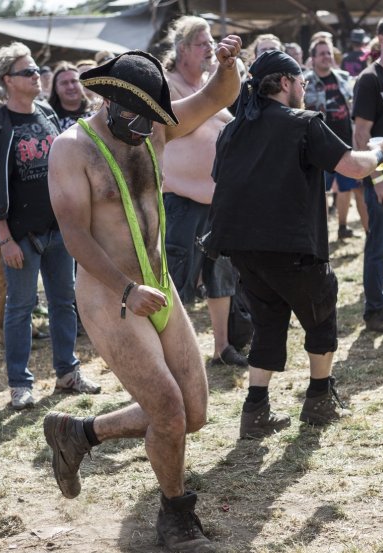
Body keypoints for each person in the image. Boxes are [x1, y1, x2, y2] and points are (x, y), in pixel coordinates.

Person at [43, 38, 242, 553]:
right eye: (135, 117)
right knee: (170, 413)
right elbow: (74, 235)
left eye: (151, 118)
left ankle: (78, 434)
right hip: (111, 296)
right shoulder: (72, 149)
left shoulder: (153, 123)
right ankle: (175, 516)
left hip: (159, 289)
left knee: (194, 413)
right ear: (110, 102)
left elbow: (219, 97)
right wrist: (126, 290)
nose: (146, 128)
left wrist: (226, 64)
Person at [207, 49, 383, 437]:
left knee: (268, 320)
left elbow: (220, 178)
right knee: (321, 312)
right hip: (290, 247)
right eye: (301, 80)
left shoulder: (233, 129)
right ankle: (319, 400)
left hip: (243, 250)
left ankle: (255, 411)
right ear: (285, 83)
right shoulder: (302, 123)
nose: (305, 86)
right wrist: (380, 149)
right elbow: (355, 167)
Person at [0, 42, 101, 410]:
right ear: (8, 80)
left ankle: (68, 373)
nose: (37, 75)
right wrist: (4, 238)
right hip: (20, 237)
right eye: (27, 71)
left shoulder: (46, 114)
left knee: (64, 302)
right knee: (20, 309)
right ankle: (20, 386)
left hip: (60, 231)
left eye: (37, 69)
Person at [162, 15, 247, 367]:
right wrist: (219, 86)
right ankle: (169, 354)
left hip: (216, 200)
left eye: (211, 43)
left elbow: (222, 113)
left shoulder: (212, 89)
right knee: (176, 280)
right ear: (182, 49)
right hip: (180, 199)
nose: (209, 49)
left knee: (221, 275)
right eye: (203, 43)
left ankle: (222, 347)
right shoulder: (166, 85)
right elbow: (189, 120)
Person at [304, 38, 368, 238]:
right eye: (322, 53)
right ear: (312, 58)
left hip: (346, 145)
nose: (326, 57)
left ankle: (359, 231)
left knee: (355, 189)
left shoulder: (344, 78)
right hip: (318, 148)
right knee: (318, 195)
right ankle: (320, 238)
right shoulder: (304, 82)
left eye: (329, 53)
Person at [353, 16, 383, 333]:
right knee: (379, 245)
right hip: (382, 176)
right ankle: (375, 311)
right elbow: (360, 135)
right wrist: (378, 179)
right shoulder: (370, 79)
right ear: (381, 39)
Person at [48, 61, 94, 131]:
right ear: (56, 88)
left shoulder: (96, 112)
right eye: (64, 83)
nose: (70, 87)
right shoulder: (49, 119)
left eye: (74, 81)